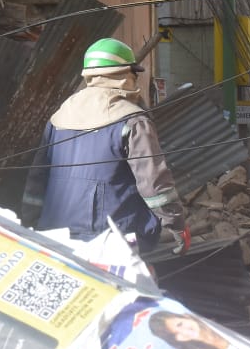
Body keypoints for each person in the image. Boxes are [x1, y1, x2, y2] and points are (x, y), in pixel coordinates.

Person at [22, 37, 188, 256]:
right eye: (133, 73)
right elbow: (154, 185)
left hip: (55, 236)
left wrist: (30, 223)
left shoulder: (60, 116)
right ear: (124, 75)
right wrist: (176, 226)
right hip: (113, 241)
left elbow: (37, 179)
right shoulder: (132, 120)